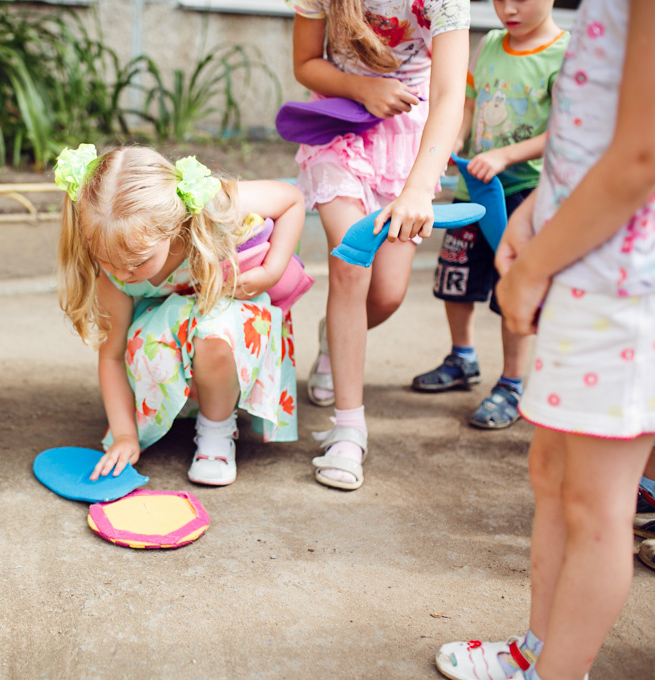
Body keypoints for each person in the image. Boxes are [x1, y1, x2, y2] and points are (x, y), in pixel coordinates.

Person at [436, 1, 655, 678]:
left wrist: (530, 271)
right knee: (551, 473)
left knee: (597, 510)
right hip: (584, 256)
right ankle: (537, 651)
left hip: (624, 283)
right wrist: (538, 208)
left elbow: (642, 154)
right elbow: (590, 126)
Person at [289, 0, 469, 489]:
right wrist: (362, 87)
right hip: (341, 126)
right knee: (351, 264)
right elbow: (305, 62)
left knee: (386, 294)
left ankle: (334, 341)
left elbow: (451, 93)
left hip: (412, 143)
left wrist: (418, 189)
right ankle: (348, 433)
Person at [55, 145, 306, 486]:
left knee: (215, 330)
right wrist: (125, 435)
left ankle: (216, 431)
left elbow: (292, 198)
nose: (123, 274)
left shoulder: (210, 204)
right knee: (176, 329)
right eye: (107, 260)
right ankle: (191, 403)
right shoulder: (113, 276)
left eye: (137, 262)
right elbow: (112, 356)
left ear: (173, 227)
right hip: (171, 339)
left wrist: (273, 270)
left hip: (225, 323)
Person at [412, 0, 568, 431]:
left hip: (522, 193)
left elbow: (565, 131)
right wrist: (453, 142)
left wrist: (505, 155)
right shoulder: (488, 45)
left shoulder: (564, 54)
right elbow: (464, 104)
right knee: (454, 278)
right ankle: (462, 357)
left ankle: (513, 383)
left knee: (511, 290)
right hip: (471, 188)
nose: (508, 9)